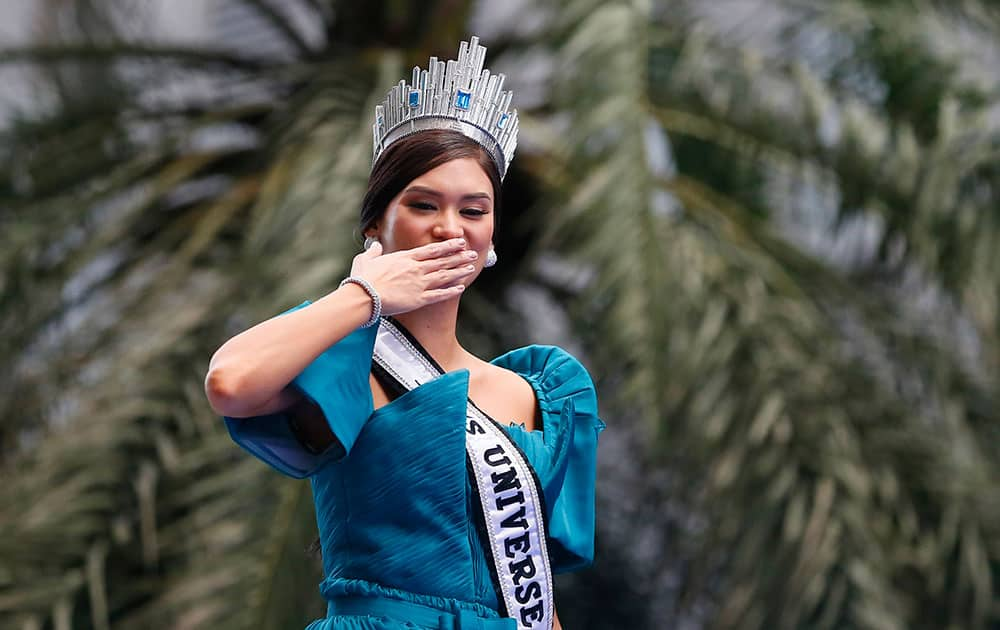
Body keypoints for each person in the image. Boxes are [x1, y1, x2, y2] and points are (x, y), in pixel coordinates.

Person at [204, 37, 604, 630]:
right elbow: (230, 382)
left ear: (491, 236)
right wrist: (362, 296)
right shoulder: (347, 357)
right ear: (376, 221)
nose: (450, 230)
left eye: (474, 211)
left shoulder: (533, 393)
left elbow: (535, 599)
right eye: (423, 205)